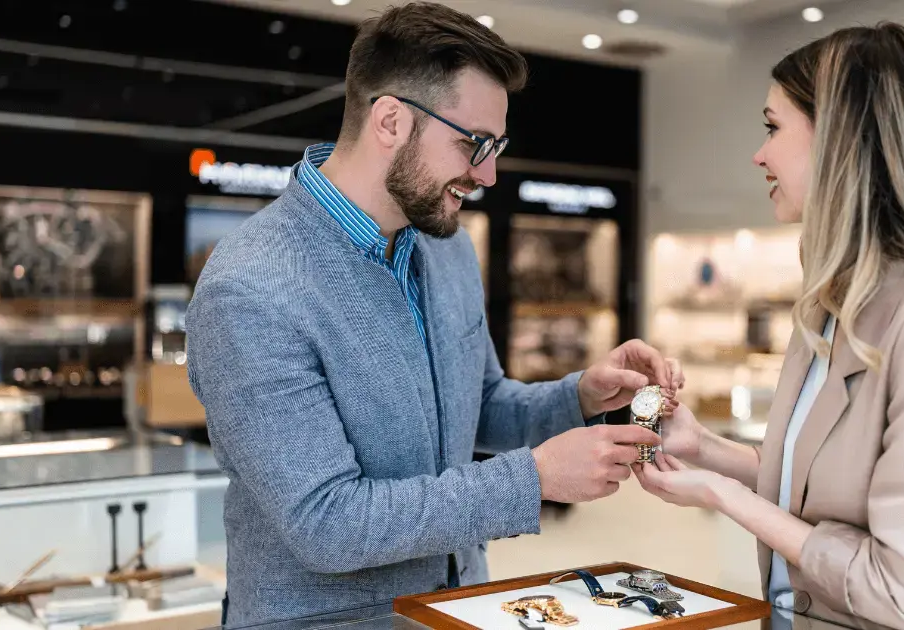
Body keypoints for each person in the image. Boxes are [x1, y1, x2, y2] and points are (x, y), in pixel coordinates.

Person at [185, 3, 680, 626]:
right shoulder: (251, 287)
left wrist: (579, 395)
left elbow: (478, 405)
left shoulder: (445, 248)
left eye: (496, 146)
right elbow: (326, 523)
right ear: (389, 120)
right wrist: (533, 479)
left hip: (456, 610)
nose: (489, 174)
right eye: (473, 144)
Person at [634, 23, 904, 630]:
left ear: (840, 140)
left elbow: (902, 591)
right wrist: (704, 450)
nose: (759, 154)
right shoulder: (829, 306)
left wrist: (719, 495)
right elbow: (821, 489)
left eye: (772, 127)